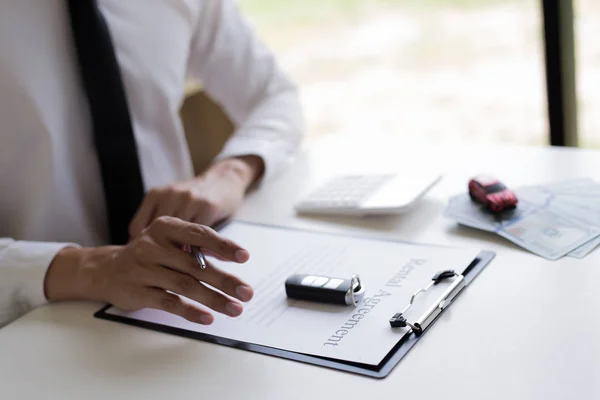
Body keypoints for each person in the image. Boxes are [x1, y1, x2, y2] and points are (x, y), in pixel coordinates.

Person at [0, 0, 303, 328]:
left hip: (180, 305)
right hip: (29, 325)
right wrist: (91, 268)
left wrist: (231, 172)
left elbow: (275, 95)